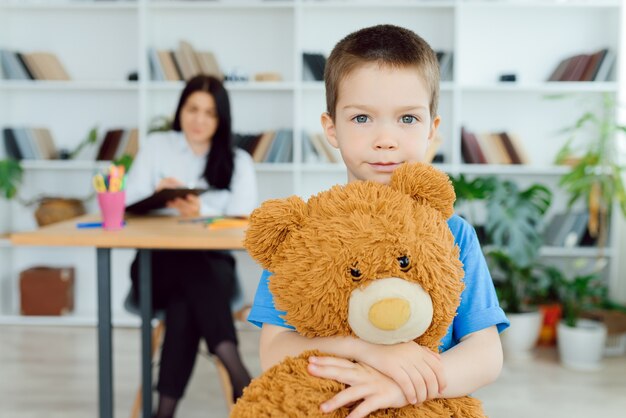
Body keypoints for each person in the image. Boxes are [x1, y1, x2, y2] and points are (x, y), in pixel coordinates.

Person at [247, 24, 510, 418]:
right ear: (331, 128)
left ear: (431, 130)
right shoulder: (306, 233)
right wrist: (365, 350)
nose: (385, 139)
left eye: (407, 119)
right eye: (362, 118)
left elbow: (486, 354)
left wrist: (401, 387)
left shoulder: (454, 233)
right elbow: (274, 349)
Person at [126, 74, 255, 418]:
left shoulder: (238, 161)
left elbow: (244, 222)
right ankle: (236, 367)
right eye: (192, 109)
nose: (199, 120)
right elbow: (126, 203)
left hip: (212, 269)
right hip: (156, 270)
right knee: (189, 270)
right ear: (180, 110)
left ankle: (163, 413)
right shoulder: (157, 147)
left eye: (209, 113)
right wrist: (158, 197)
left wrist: (203, 211)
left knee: (186, 301)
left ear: (221, 119)